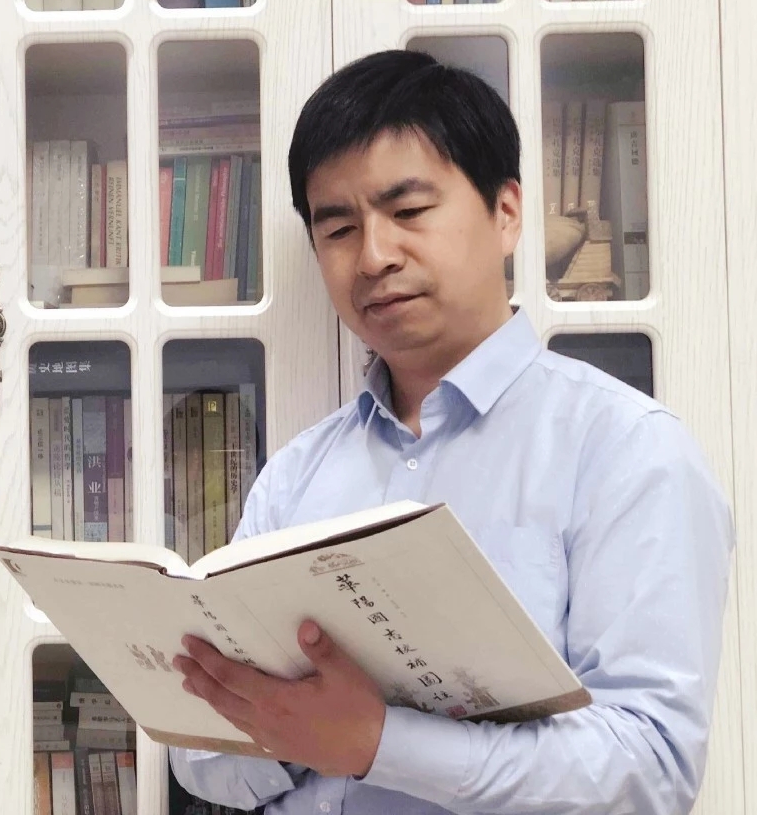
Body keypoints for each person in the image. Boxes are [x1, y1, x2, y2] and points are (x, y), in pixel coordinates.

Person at [167, 49, 734, 814]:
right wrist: (299, 731)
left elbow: (650, 770)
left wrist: (376, 743)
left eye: (408, 213)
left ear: (506, 213)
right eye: (339, 229)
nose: (374, 256)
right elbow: (198, 754)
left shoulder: (628, 451)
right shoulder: (297, 475)